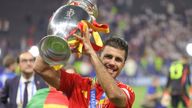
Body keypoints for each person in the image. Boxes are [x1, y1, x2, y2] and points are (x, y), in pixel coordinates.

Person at [33, 27, 135, 108]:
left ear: (123, 65)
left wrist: (91, 53)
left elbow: (114, 96)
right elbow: (40, 67)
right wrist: (62, 39)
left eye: (118, 59)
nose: (112, 62)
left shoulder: (126, 91)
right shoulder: (77, 84)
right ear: (99, 57)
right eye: (108, 57)